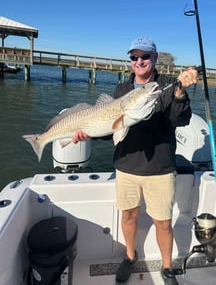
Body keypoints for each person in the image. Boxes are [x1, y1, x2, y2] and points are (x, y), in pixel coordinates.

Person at [72, 37, 198, 285]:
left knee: (163, 221)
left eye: (145, 56)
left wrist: (181, 92)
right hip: (127, 165)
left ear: (155, 58)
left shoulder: (168, 85)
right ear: (130, 61)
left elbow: (181, 120)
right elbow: (111, 129)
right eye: (134, 57)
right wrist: (87, 132)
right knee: (128, 215)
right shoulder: (121, 90)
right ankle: (129, 256)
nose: (139, 61)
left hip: (160, 168)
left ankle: (167, 267)